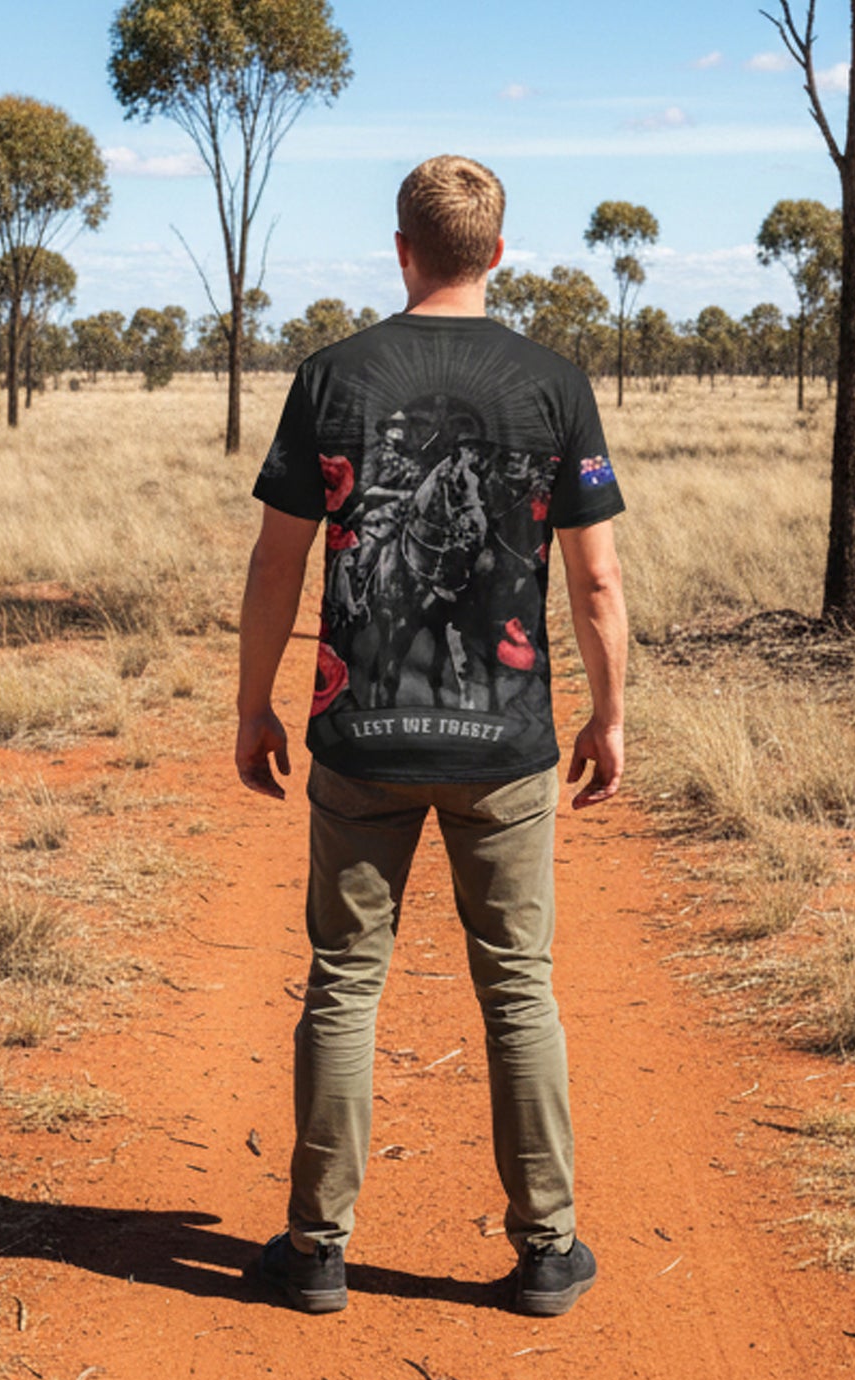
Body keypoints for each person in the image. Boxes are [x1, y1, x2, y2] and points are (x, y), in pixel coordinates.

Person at [235, 154, 627, 1317]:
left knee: (343, 982)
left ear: (399, 247)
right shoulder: (553, 383)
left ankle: (316, 1247)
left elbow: (276, 557)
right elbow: (594, 581)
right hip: (503, 746)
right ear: (496, 253)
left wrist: (252, 701)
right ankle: (546, 1246)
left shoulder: (330, 376)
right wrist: (609, 713)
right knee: (516, 987)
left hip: (359, 733)